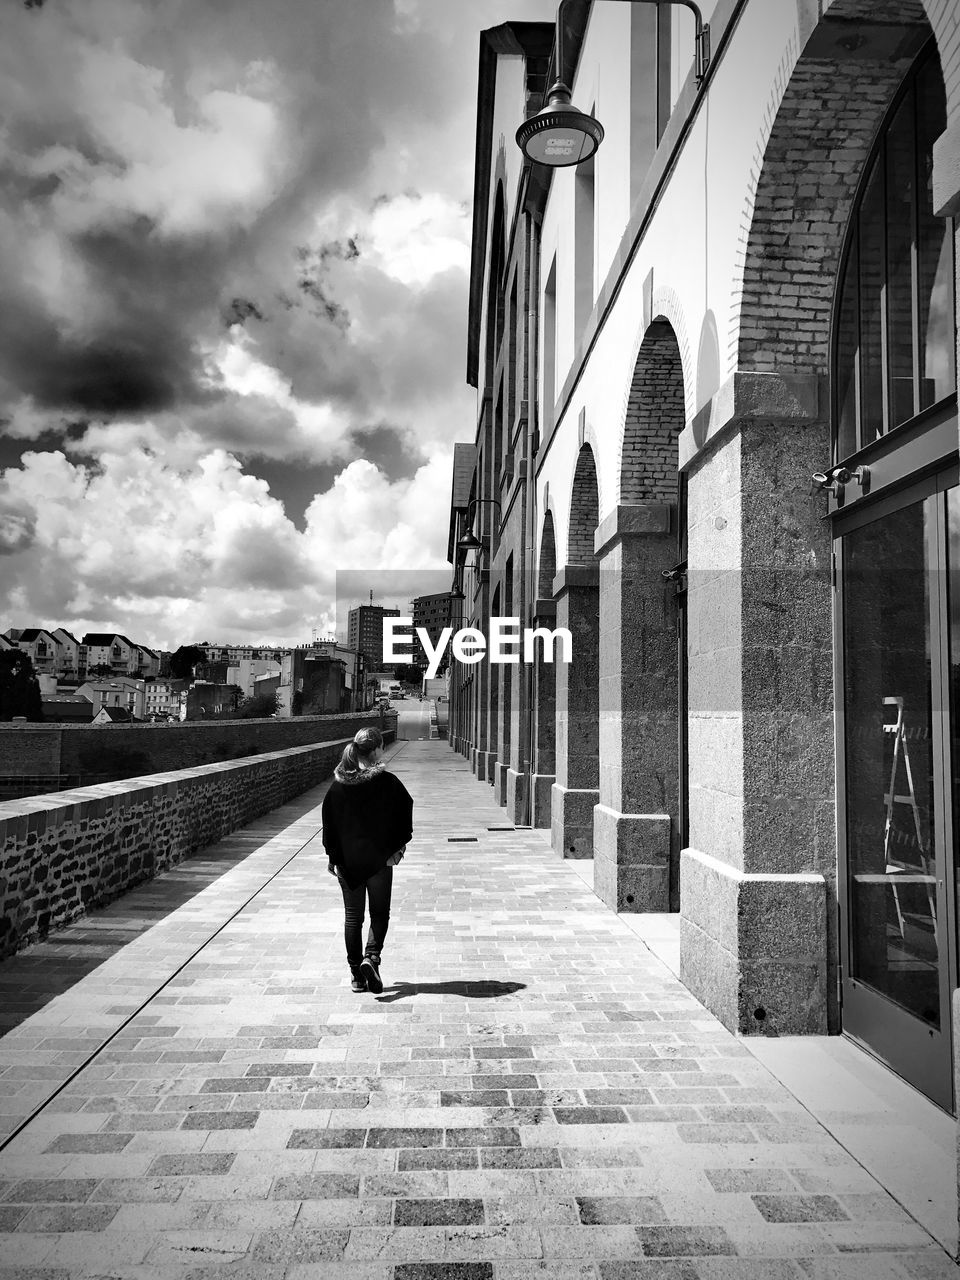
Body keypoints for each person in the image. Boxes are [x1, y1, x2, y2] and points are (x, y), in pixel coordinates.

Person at [321, 727, 413, 994]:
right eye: (382, 747)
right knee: (379, 913)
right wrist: (397, 848)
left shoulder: (337, 787)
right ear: (374, 750)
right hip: (379, 862)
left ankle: (356, 977)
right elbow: (405, 811)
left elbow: (329, 824)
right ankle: (371, 958)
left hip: (348, 863)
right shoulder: (388, 783)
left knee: (353, 918)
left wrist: (332, 856)